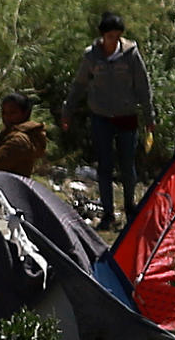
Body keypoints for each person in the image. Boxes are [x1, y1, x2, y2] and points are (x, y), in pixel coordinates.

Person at [62, 13, 157, 230]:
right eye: (109, 36)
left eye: (117, 36)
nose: (113, 40)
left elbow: (143, 86)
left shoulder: (130, 54)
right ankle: (107, 212)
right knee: (105, 166)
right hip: (101, 116)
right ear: (102, 35)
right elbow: (79, 85)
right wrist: (68, 110)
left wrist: (149, 116)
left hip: (126, 115)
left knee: (127, 165)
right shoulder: (92, 56)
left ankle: (130, 206)